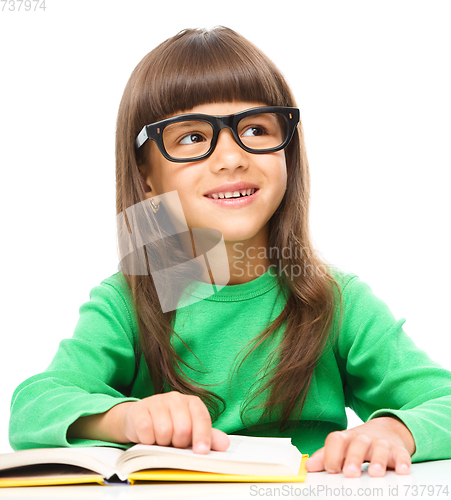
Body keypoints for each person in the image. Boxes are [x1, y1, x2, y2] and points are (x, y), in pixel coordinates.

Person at [9, 26, 451, 479]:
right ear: (146, 176)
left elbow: (445, 400)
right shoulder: (128, 301)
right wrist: (125, 418)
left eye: (256, 129)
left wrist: (397, 432)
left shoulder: (335, 299)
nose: (231, 157)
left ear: (288, 153)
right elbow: (35, 404)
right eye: (192, 138)